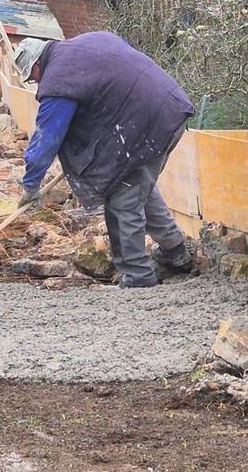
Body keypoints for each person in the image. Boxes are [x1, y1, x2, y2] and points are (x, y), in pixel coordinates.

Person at [13, 33, 195, 289]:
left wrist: (31, 184)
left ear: (37, 64)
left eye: (33, 77)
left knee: (122, 201)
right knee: (137, 183)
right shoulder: (89, 41)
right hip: (170, 109)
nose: (35, 83)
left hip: (146, 124)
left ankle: (138, 276)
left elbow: (47, 137)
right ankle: (176, 251)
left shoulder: (58, 79)